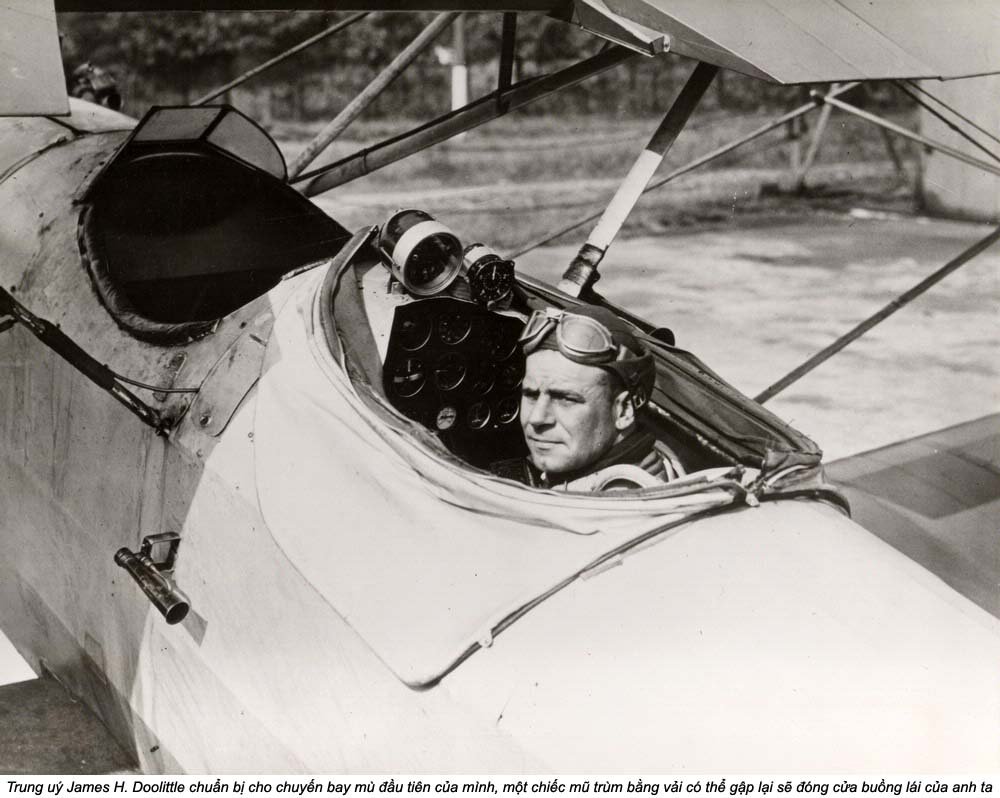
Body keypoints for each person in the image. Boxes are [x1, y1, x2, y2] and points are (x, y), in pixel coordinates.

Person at [516, 304, 684, 491]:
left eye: (565, 399)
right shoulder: (655, 458)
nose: (536, 418)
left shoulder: (613, 505)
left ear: (624, 411)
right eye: (530, 394)